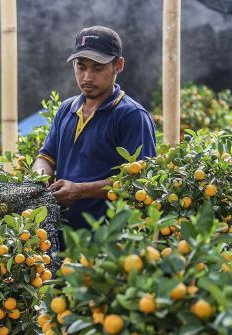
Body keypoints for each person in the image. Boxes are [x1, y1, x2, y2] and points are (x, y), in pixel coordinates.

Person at [32, 25, 157, 230]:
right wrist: (39, 177)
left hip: (105, 242)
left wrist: (80, 190)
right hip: (59, 236)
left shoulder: (131, 116)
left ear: (118, 65)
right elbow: (46, 157)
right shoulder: (67, 109)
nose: (87, 77)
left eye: (97, 68)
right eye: (81, 67)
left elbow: (139, 181)